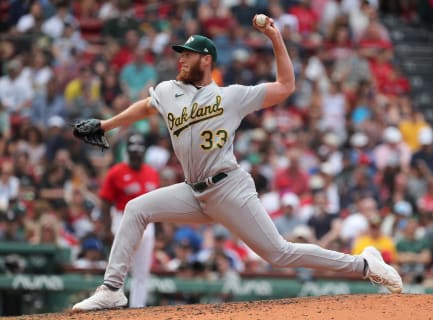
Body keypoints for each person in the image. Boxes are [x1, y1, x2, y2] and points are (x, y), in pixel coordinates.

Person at [72, 15, 402, 312]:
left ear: (206, 59)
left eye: (186, 54)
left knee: (279, 253)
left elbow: (286, 86)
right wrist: (105, 125)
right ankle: (112, 289)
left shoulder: (231, 96)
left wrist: (275, 37)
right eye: (179, 54)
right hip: (193, 191)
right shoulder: (169, 90)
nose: (180, 59)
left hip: (228, 187)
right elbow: (146, 107)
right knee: (135, 209)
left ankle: (365, 265)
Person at [98, 133, 160, 308]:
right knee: (120, 268)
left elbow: (158, 203)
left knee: (142, 272)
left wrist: (160, 230)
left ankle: (137, 310)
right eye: (133, 152)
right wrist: (106, 228)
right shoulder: (116, 171)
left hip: (149, 223)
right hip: (123, 220)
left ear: (143, 153)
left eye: (138, 152)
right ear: (128, 152)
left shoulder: (152, 173)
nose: (136, 155)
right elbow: (105, 202)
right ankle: (115, 307)